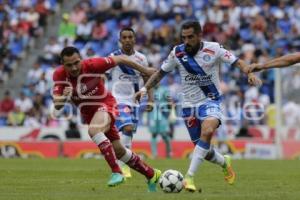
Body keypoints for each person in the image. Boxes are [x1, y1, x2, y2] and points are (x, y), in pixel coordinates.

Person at [135, 20, 262, 192]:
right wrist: (144, 89)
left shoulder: (215, 48)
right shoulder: (177, 53)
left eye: (190, 37)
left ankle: (189, 177)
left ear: (200, 35)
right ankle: (225, 162)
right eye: (184, 37)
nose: (187, 41)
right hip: (188, 106)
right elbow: (160, 73)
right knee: (204, 150)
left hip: (211, 100)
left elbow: (238, 62)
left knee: (208, 130)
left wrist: (249, 72)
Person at [52, 46, 161, 191]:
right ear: (62, 64)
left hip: (106, 105)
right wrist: (65, 96)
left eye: (76, 62)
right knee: (120, 151)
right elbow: (57, 105)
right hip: (90, 115)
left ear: (81, 60)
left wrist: (145, 70)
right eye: (69, 65)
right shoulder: (59, 75)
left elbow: (121, 59)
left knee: (94, 130)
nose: (74, 67)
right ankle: (152, 174)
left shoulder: (93, 64)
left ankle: (117, 172)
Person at [107, 27, 154, 178]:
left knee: (128, 133)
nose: (127, 40)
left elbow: (148, 78)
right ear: (120, 40)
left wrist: (151, 99)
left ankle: (122, 162)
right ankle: (123, 167)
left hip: (134, 102)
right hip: (118, 100)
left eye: (130, 37)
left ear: (134, 39)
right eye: (124, 37)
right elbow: (102, 74)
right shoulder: (113, 57)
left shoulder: (141, 58)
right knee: (127, 127)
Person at [148, 85, 172, 158]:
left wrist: (169, 112)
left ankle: (169, 152)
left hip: (162, 114)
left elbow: (169, 101)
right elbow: (148, 102)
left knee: (164, 133)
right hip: (153, 114)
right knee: (153, 134)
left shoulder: (164, 90)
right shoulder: (150, 90)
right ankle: (154, 154)